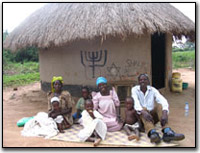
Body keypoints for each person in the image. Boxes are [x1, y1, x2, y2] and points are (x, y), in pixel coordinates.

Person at [131, 74, 185, 144]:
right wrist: (143, 112)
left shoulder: (153, 90)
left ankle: (167, 132)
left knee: (160, 106)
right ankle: (153, 133)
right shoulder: (135, 90)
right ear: (138, 82)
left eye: (145, 79)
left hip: (152, 117)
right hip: (142, 117)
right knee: (143, 109)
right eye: (141, 80)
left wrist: (165, 112)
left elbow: (163, 100)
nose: (143, 81)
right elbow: (136, 103)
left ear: (148, 81)